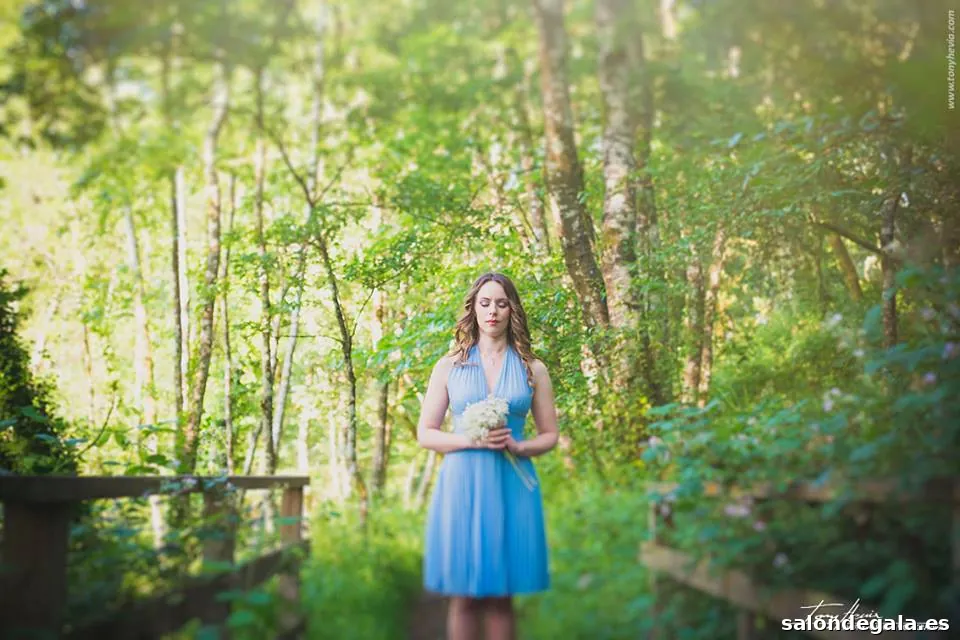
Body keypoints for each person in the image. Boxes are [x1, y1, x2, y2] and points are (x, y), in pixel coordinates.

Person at [417, 271, 559, 640]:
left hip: (511, 482)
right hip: (462, 483)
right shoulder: (448, 366)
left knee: (501, 597)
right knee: (463, 596)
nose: (492, 311)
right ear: (474, 309)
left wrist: (519, 446)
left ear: (512, 310)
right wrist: (468, 441)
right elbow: (426, 433)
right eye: (485, 303)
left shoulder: (534, 369)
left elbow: (550, 435)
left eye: (501, 303)